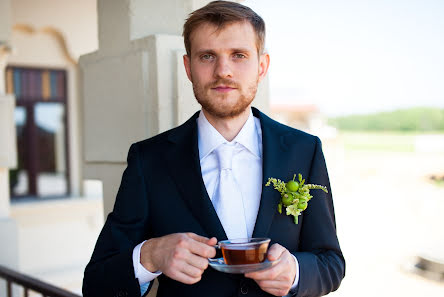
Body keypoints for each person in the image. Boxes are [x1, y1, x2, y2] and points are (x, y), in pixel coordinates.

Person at [82, 1, 345, 297]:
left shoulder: (304, 150)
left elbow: (331, 263)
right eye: (207, 56)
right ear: (188, 67)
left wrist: (296, 272)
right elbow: (96, 284)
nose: (223, 71)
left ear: (262, 66)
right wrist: (151, 255)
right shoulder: (149, 160)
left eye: (239, 55)